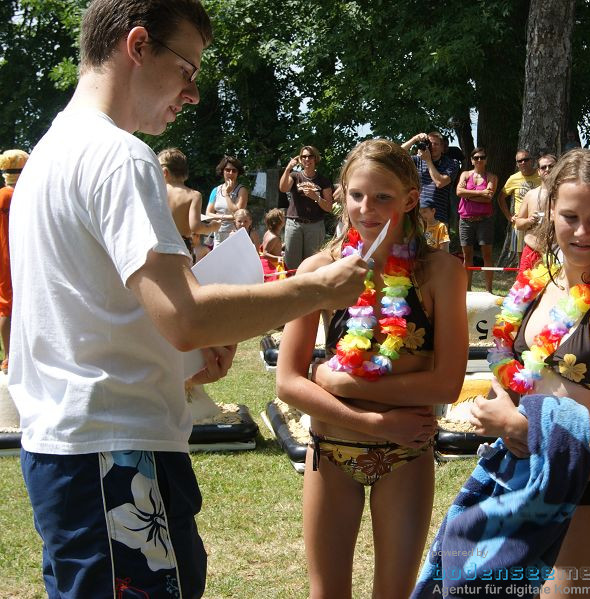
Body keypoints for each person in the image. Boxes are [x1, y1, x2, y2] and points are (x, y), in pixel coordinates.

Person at [7, 2, 368, 597]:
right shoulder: (119, 157)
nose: (193, 93)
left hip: (72, 451)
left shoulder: (49, 154)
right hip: (116, 456)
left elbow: (81, 320)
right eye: (187, 69)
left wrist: (183, 358)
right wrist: (319, 287)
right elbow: (184, 315)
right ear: (139, 45)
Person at [276, 138, 468, 598]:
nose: (367, 208)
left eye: (382, 197)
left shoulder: (439, 272)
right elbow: (287, 382)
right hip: (332, 450)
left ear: (408, 198)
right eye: (357, 194)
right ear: (341, 193)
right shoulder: (318, 270)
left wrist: (338, 380)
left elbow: (447, 382)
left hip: (407, 456)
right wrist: (370, 417)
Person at [470, 149, 590, 598]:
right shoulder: (538, 283)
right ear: (550, 211)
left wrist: (520, 425)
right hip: (516, 480)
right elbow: (507, 362)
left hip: (586, 494)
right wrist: (497, 404)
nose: (581, 231)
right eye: (570, 216)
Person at [278, 145, 334, 272]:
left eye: (310, 156)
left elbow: (329, 207)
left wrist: (316, 197)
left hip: (315, 226)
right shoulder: (295, 176)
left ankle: (309, 291)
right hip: (294, 224)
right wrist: (288, 168)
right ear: (300, 159)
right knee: (291, 263)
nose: (307, 159)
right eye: (303, 156)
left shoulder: (323, 180)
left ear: (315, 159)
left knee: (312, 264)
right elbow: (283, 188)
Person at [158, 147, 220, 261]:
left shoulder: (157, 192)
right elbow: (195, 227)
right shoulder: (193, 195)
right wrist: (213, 226)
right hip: (181, 246)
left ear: (164, 172)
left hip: (158, 244)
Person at [0, 148, 28, 374]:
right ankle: (10, 357)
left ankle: (11, 356)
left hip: (4, 256)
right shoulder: (16, 196)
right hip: (14, 256)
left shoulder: (2, 195)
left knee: (6, 305)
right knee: (9, 306)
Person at [456, 147, 498, 290]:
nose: (479, 160)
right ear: (471, 160)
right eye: (476, 157)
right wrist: (479, 192)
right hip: (466, 220)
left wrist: (468, 196)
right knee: (467, 256)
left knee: (487, 255)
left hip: (484, 220)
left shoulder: (492, 177)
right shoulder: (466, 175)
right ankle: (467, 290)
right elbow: (458, 192)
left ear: (486, 160)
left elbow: (488, 198)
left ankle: (489, 290)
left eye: (482, 157)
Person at [401, 131, 460, 225]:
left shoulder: (452, 163)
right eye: (430, 144)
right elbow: (396, 154)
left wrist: (428, 161)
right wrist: (415, 139)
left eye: (436, 144)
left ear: (442, 148)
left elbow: (440, 183)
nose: (432, 146)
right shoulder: (418, 160)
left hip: (438, 218)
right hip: (417, 216)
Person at [514, 153, 557, 274]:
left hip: (557, 251)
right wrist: (529, 221)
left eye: (551, 166)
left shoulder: (565, 194)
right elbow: (518, 223)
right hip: (532, 251)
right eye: (543, 167)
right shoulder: (530, 194)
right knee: (524, 291)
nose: (547, 169)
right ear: (538, 171)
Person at [499, 149, 542, 264]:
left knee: (540, 255)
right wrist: (509, 217)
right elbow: (501, 198)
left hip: (538, 222)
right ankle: (522, 279)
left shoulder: (541, 175)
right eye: (520, 161)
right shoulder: (513, 178)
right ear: (517, 164)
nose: (523, 163)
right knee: (522, 258)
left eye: (526, 159)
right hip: (520, 223)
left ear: (532, 160)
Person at [206, 155, 247, 247]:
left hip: (234, 234)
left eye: (234, 170)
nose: (230, 173)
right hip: (218, 234)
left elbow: (237, 213)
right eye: (227, 170)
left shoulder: (241, 190)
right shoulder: (215, 190)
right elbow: (208, 214)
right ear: (223, 171)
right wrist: (228, 217)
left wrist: (226, 194)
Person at [259, 207, 286, 280]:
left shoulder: (269, 232)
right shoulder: (273, 237)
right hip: (273, 265)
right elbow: (265, 254)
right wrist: (279, 258)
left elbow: (273, 247)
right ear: (279, 222)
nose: (284, 219)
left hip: (272, 262)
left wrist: (284, 245)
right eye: (283, 217)